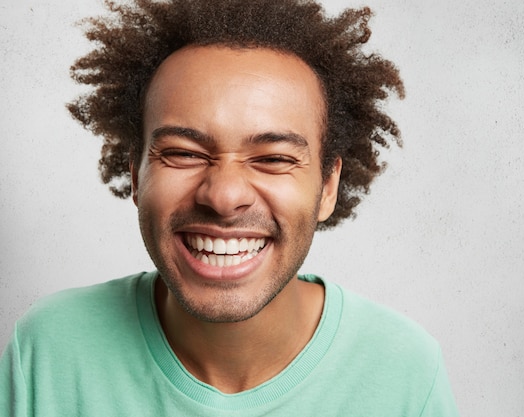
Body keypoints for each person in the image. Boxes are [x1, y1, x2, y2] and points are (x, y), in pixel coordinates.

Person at [0, 0, 459, 415]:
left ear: (327, 186)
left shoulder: (406, 375)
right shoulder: (47, 351)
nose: (222, 196)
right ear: (137, 176)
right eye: (183, 153)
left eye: (274, 159)